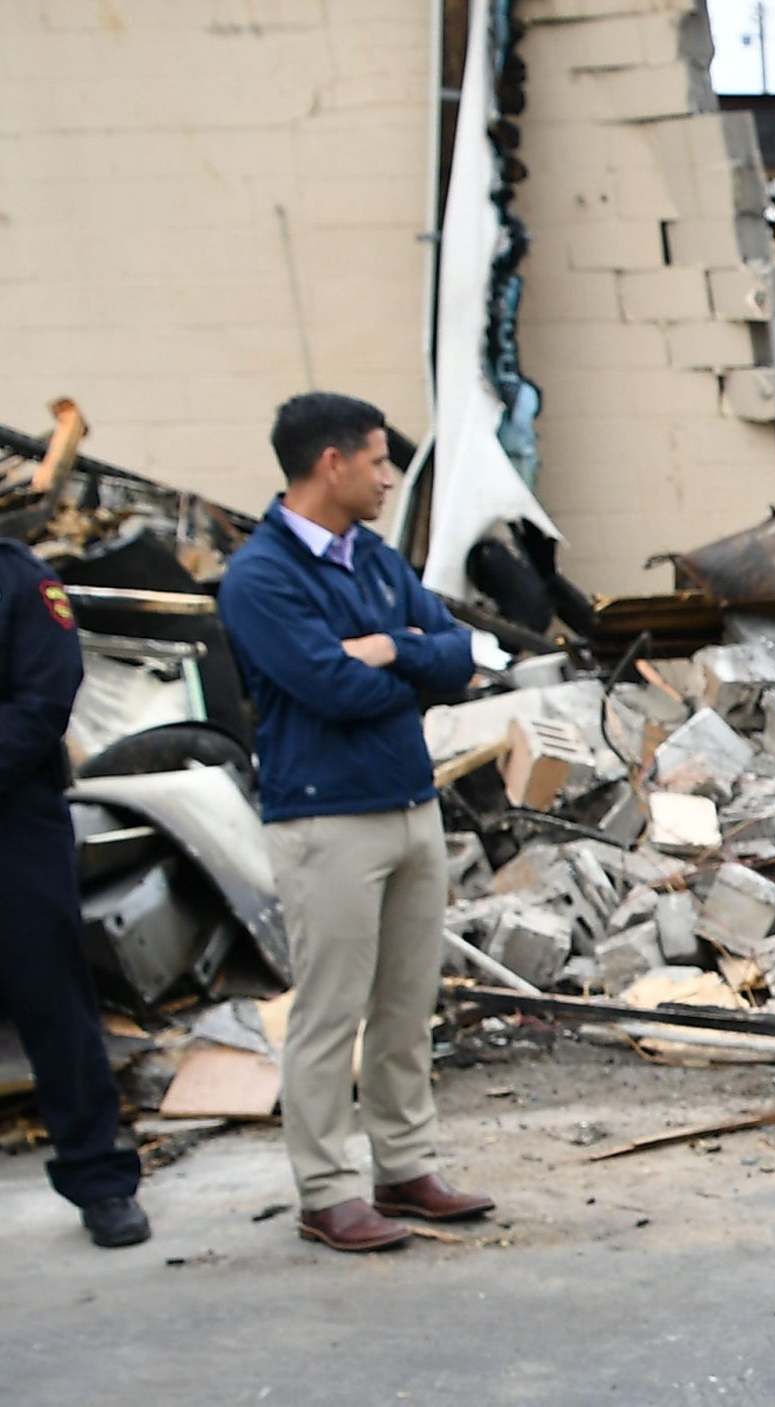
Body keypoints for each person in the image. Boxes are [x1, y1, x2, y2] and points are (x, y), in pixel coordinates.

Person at [217, 393, 494, 1252]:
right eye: (377, 460)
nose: (386, 477)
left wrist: (391, 649)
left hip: (410, 806)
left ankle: (405, 1165)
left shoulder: (371, 558)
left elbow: (458, 656)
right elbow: (326, 688)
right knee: (332, 1013)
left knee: (407, 1006)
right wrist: (404, 657)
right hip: (326, 820)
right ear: (329, 463)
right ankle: (326, 1189)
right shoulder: (261, 578)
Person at [0, 539, 151, 1249]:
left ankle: (101, 1181)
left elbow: (45, 699)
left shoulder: (21, 580)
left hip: (14, 824)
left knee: (51, 998)